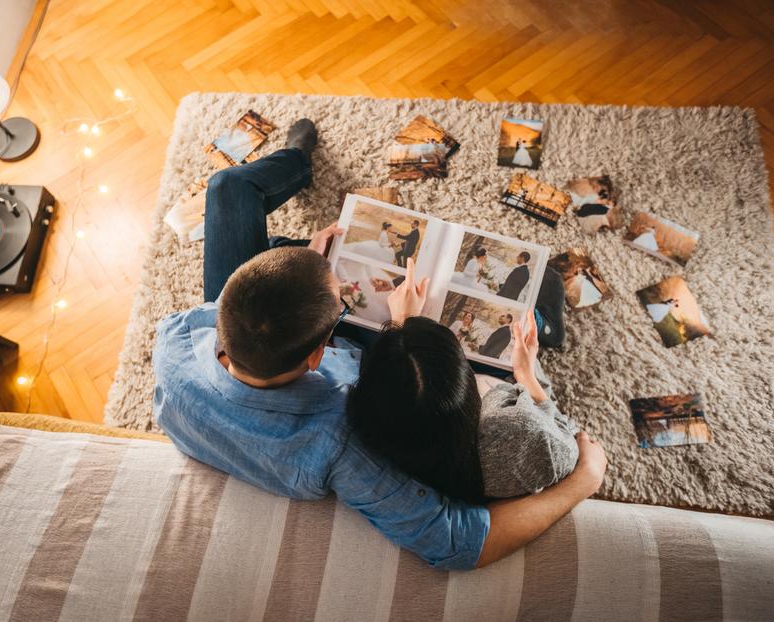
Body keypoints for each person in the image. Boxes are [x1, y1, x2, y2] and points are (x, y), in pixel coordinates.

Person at [153, 118, 606, 570]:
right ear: (320, 353)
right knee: (515, 332)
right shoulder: (338, 441)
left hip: (254, 341)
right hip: (358, 371)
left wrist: (305, 268)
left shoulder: (176, 338)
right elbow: (456, 543)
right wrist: (583, 480)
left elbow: (238, 311)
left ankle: (295, 165)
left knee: (228, 185)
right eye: (338, 298)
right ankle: (545, 320)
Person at [347, 309, 594, 506]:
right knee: (537, 316)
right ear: (464, 387)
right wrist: (526, 375)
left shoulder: (373, 424)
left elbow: (411, 381)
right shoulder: (521, 432)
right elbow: (566, 437)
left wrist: (406, 323)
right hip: (519, 387)